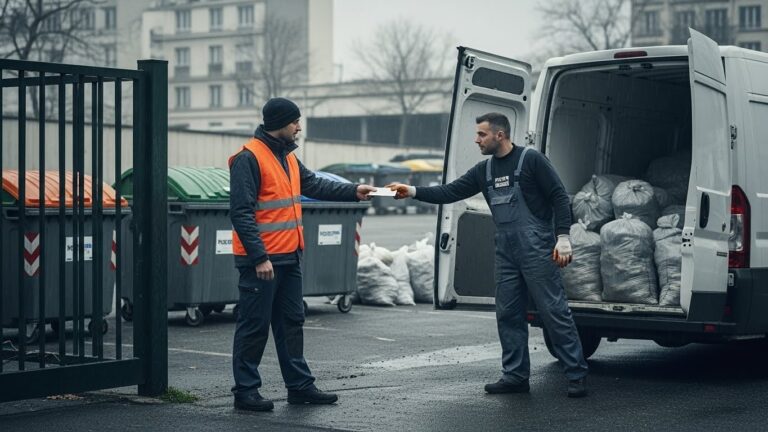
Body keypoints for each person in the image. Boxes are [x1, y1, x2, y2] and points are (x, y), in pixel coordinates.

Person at [388, 112, 589, 398]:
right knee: (508, 312)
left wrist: (563, 236)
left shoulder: (531, 160)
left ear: (500, 135)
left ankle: (576, 373)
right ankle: (515, 375)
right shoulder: (484, 171)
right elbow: (450, 191)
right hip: (506, 250)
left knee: (553, 310)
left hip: (536, 246)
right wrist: (412, 191)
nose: (477, 139)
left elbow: (559, 196)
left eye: (482, 134)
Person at [229, 97, 376, 411]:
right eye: (295, 122)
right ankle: (245, 392)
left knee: (292, 323)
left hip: (289, 257)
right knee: (254, 326)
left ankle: (299, 387)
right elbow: (241, 213)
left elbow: (314, 184)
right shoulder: (249, 158)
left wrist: (354, 190)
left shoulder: (288, 158)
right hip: (263, 262)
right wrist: (259, 257)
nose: (299, 127)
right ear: (281, 123)